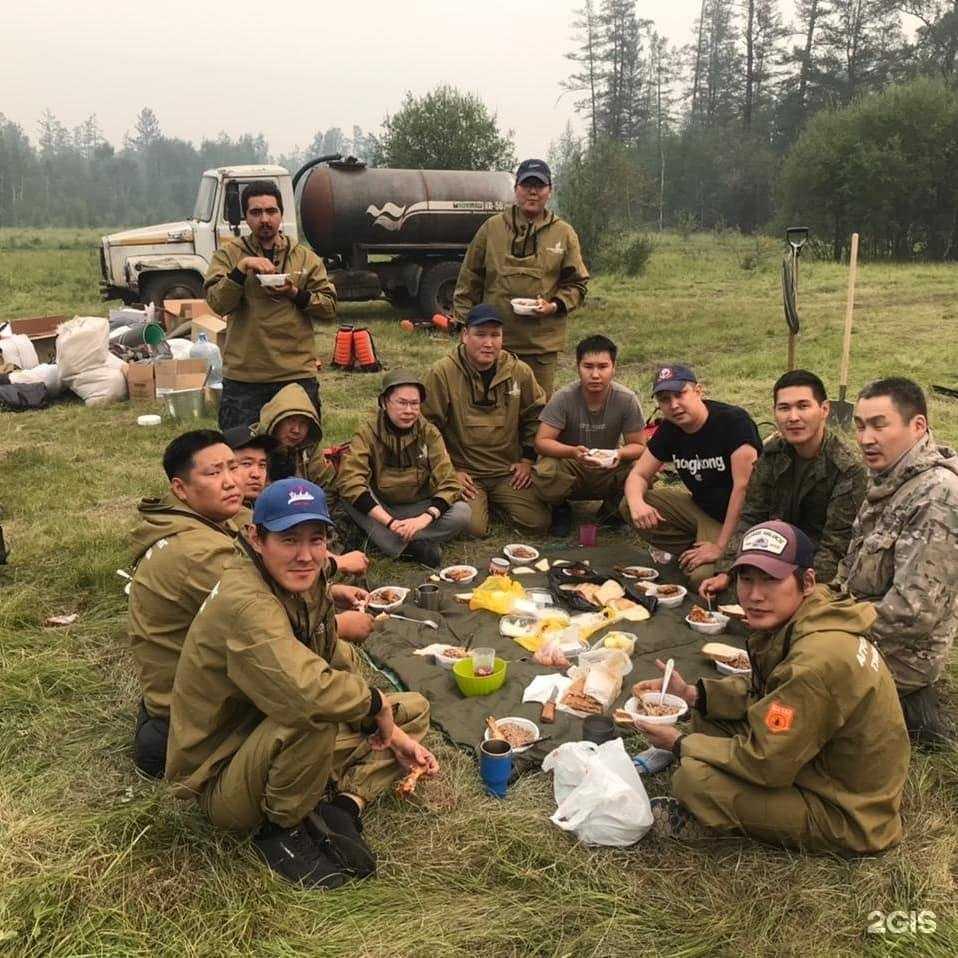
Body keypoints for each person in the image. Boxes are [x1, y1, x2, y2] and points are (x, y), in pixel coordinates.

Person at [165, 479, 438, 889]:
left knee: (413, 709)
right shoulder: (247, 602)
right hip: (223, 772)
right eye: (289, 539)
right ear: (257, 539)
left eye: (316, 540)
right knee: (318, 714)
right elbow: (307, 692)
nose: (305, 555)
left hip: (268, 734)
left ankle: (344, 806)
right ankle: (281, 829)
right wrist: (374, 704)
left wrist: (392, 729)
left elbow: (331, 658)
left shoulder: (305, 575)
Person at [634, 520, 910, 855]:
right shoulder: (814, 613)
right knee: (708, 717)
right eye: (746, 579)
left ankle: (707, 818)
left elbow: (766, 763)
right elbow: (766, 692)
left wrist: (680, 743)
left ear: (806, 581)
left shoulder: (815, 662)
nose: (754, 595)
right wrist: (694, 695)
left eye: (771, 580)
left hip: (849, 812)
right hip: (823, 760)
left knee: (693, 780)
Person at [833, 378, 958, 745]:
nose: (865, 438)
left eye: (879, 424)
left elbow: (913, 613)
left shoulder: (937, 496)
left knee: (804, 677)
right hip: (861, 624)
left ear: (917, 426)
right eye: (859, 425)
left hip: (905, 653)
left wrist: (830, 628)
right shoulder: (889, 478)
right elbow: (851, 563)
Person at [128, 430, 245, 779]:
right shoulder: (200, 551)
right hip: (186, 721)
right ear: (180, 489)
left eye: (233, 467)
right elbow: (271, 617)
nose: (231, 481)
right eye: (213, 473)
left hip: (168, 697)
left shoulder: (189, 519)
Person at [700, 370, 866, 598]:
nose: (793, 417)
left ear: (824, 410)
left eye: (803, 406)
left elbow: (835, 547)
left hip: (817, 569)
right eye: (784, 408)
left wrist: (791, 587)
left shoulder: (847, 469)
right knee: (710, 584)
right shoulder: (773, 453)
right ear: (775, 412)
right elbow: (751, 516)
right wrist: (726, 569)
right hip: (772, 551)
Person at [205, 180, 337, 431]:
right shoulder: (228, 255)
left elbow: (329, 308)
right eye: (256, 212)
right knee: (242, 452)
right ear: (246, 217)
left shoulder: (304, 257)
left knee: (297, 450)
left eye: (271, 211)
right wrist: (241, 270)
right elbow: (218, 304)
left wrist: (294, 292)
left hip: (295, 374)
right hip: (245, 376)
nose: (264, 219)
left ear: (281, 214)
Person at [452, 159, 589, 397]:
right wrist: (465, 329)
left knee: (536, 410)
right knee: (491, 407)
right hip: (493, 343)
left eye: (539, 186)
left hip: (541, 346)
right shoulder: (491, 228)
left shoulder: (564, 233)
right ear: (516, 189)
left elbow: (577, 284)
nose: (533, 192)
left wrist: (554, 305)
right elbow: (468, 281)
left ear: (549, 191)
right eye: (527, 185)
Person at [622, 365, 762, 588]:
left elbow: (743, 490)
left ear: (699, 391)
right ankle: (696, 550)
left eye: (680, 394)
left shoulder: (734, 422)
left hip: (743, 519)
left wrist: (720, 547)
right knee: (632, 503)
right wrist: (637, 503)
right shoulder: (670, 428)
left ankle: (724, 554)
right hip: (702, 511)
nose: (674, 405)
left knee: (701, 578)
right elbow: (638, 474)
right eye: (665, 399)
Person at [422, 304, 550, 537]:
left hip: (506, 470)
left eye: (495, 335)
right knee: (472, 529)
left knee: (538, 523)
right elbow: (427, 427)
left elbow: (536, 416)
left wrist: (527, 460)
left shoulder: (519, 371)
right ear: (465, 335)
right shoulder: (442, 372)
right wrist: (449, 471)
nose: (488, 343)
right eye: (480, 335)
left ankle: (498, 503)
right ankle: (480, 504)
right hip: (466, 473)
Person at [223, 422, 372, 610]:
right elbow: (268, 571)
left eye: (262, 465)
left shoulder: (258, 499)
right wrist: (338, 563)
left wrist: (332, 590)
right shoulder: (231, 515)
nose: (256, 474)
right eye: (246, 464)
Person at [336, 370, 471, 568]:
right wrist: (389, 521)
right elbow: (350, 480)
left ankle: (391, 540)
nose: (409, 410)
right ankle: (407, 548)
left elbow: (449, 482)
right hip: (380, 508)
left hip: (418, 507)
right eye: (402, 402)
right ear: (384, 402)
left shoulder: (429, 433)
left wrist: (424, 519)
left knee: (462, 513)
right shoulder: (367, 431)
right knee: (348, 496)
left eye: (414, 404)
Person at [533, 334, 645, 536]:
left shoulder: (627, 399)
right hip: (573, 464)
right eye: (588, 366)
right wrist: (573, 452)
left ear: (614, 367)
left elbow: (638, 446)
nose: (595, 374)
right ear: (578, 367)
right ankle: (560, 508)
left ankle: (612, 511)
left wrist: (617, 454)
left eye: (603, 367)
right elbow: (542, 442)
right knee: (546, 468)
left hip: (608, 464)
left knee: (643, 468)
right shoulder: (564, 397)